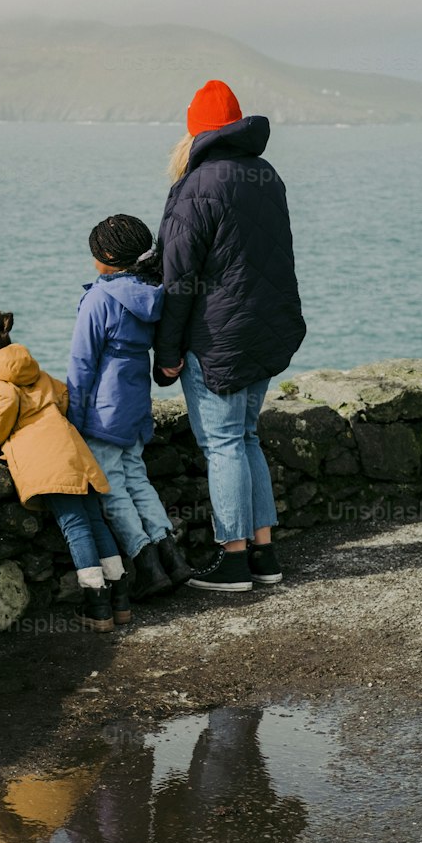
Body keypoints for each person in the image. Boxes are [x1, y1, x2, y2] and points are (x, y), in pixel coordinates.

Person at [154, 80, 306, 594]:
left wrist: (168, 352)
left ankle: (234, 559)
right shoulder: (268, 175)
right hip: (265, 331)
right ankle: (265, 554)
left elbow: (178, 279)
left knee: (221, 444)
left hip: (216, 337)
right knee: (245, 438)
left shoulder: (196, 185)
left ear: (196, 130)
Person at [0, 308, 128, 631]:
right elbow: (64, 394)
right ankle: (119, 599)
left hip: (48, 462)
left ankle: (98, 606)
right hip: (73, 452)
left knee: (75, 526)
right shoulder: (31, 372)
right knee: (95, 520)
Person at [66, 214, 193, 601]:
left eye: (94, 256)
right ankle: (173, 558)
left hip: (103, 412)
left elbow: (82, 365)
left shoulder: (100, 299)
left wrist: (73, 419)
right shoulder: (151, 295)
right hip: (136, 406)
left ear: (106, 256)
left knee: (114, 491)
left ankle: (147, 565)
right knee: (137, 480)